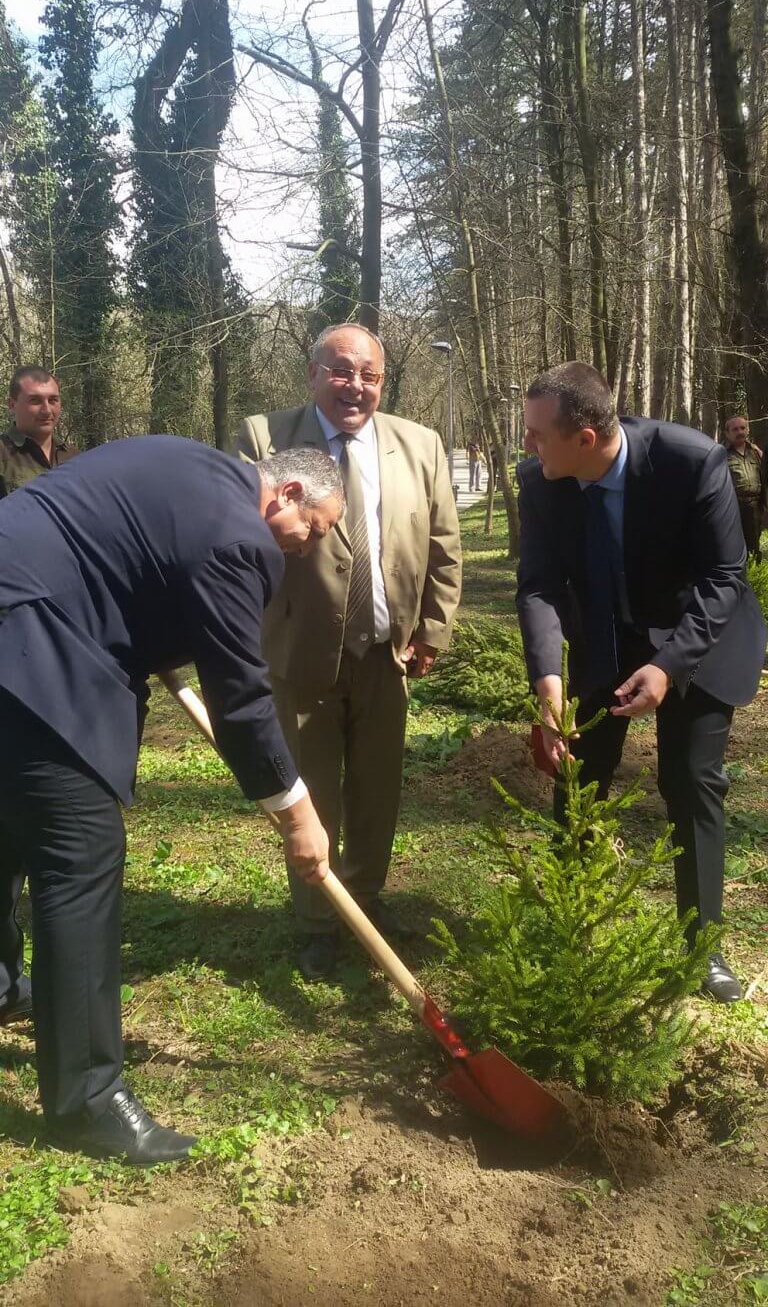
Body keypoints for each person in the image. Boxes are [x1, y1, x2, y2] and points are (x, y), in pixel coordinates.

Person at [0, 436, 342, 1163]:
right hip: (29, 639)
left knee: (7, 821)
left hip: (18, 601)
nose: (303, 550)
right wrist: (298, 814)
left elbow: (123, 551)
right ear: (285, 495)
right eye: (310, 531)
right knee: (78, 848)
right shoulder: (239, 538)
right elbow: (243, 700)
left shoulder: (194, 467)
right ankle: (87, 1101)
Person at [516, 362, 766, 1005]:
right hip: (606, 637)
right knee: (578, 775)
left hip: (698, 639)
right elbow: (539, 584)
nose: (528, 446)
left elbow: (724, 578)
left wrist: (668, 666)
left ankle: (701, 949)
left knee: (689, 781)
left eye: (539, 434)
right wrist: (547, 674)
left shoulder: (692, 461)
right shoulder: (541, 482)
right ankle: (569, 926)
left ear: (588, 438)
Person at [235, 323, 462, 981]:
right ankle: (316, 920)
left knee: (376, 791)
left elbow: (443, 542)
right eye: (340, 370)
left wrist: (433, 629)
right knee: (311, 793)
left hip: (386, 654)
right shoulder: (264, 437)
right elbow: (242, 543)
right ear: (312, 374)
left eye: (369, 375)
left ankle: (364, 899)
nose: (355, 386)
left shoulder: (420, 444)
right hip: (299, 653)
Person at [1, 366, 77, 496]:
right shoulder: (3, 455)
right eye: (35, 401)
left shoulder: (73, 457)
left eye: (53, 400)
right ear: (12, 405)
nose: (47, 410)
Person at [724, 414, 765, 560]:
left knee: (754, 545)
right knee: (734, 547)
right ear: (727, 433)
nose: (740, 432)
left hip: (755, 507)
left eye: (743, 428)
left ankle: (754, 576)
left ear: (747, 430)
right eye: (735, 429)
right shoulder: (721, 453)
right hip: (733, 507)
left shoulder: (756, 452)